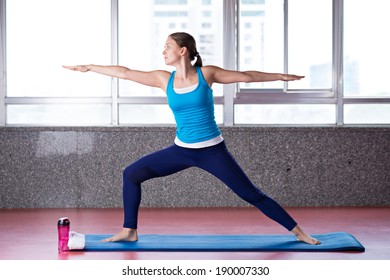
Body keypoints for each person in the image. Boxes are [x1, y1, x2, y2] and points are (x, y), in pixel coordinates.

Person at [64, 32, 320, 245]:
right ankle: (129, 230)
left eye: (168, 47)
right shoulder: (163, 79)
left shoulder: (206, 74)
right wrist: (90, 67)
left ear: (183, 50)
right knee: (131, 174)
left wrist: (281, 77)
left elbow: (246, 76)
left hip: (213, 152)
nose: (163, 51)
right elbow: (125, 72)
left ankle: (299, 233)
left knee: (251, 194)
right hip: (181, 150)